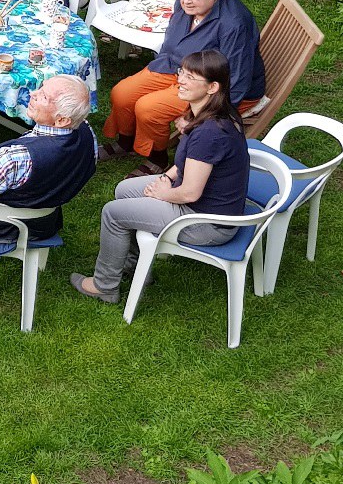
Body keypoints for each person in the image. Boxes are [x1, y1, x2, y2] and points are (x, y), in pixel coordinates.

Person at [72, 50, 251, 303]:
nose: (181, 81)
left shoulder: (211, 132)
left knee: (113, 213)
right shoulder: (208, 114)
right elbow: (187, 163)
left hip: (206, 221)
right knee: (124, 190)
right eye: (182, 73)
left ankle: (104, 286)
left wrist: (163, 193)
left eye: (191, 78)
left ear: (212, 87)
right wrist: (167, 177)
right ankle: (134, 264)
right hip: (199, 202)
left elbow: (190, 192)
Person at [100, 0, 265, 177]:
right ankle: (126, 143)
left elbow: (236, 80)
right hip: (175, 67)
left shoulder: (234, 24)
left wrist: (201, 114)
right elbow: (172, 43)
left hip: (211, 86)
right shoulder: (186, 5)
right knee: (121, 93)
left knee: (149, 109)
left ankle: (157, 159)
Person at [0, 75, 96, 243]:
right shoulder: (88, 135)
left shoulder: (17, 158)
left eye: (44, 97)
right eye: (40, 88)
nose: (33, 94)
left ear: (62, 120)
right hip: (44, 223)